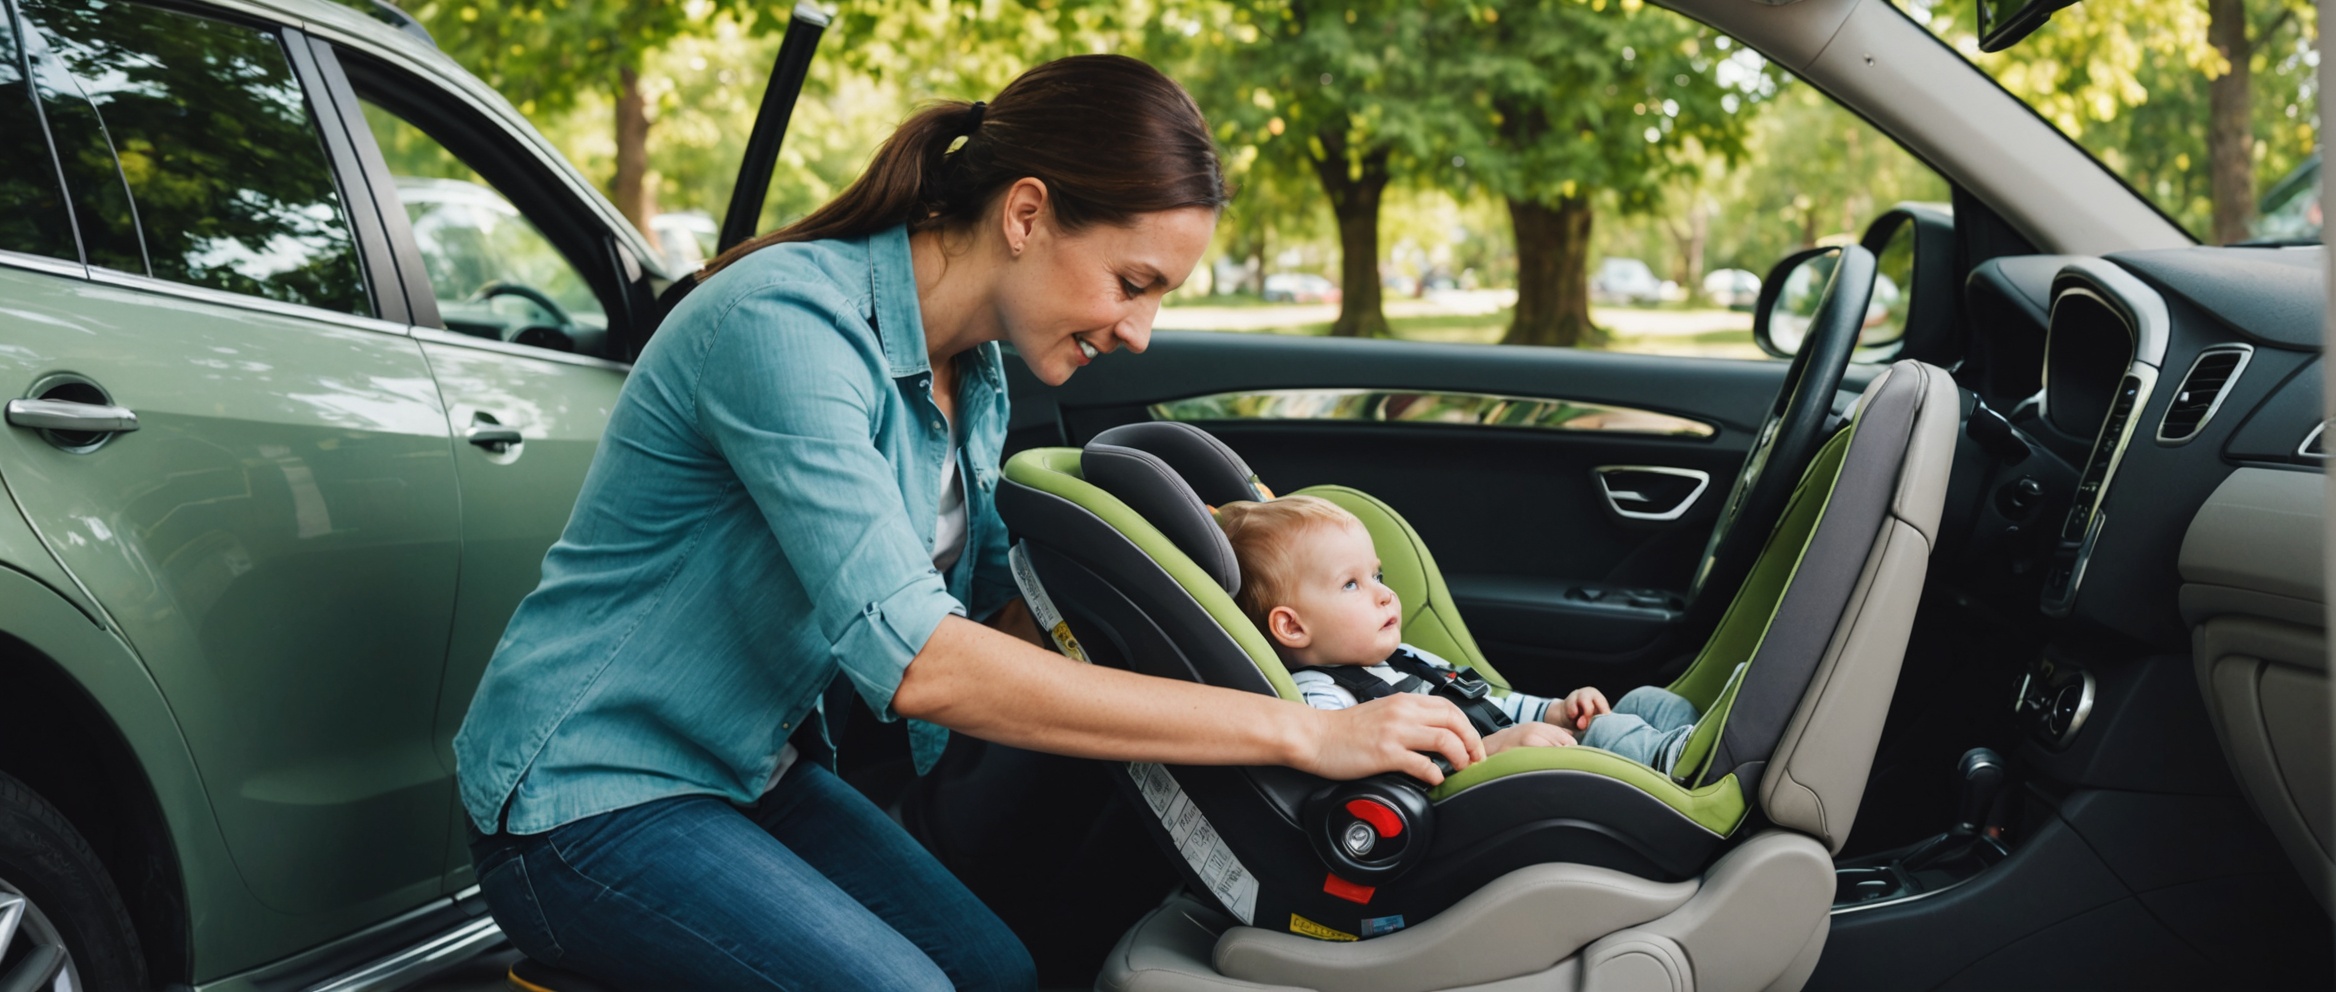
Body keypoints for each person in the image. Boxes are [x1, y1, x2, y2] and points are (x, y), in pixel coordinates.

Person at [452, 55, 1487, 991]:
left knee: (996, 969)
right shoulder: (781, 327)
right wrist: (1302, 729)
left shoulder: (973, 371)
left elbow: (995, 622)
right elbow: (926, 666)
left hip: (749, 772)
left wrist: (1186, 594)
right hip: (584, 800)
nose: (1137, 332)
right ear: (1026, 214)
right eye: (1132, 284)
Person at [1216, 495, 1707, 773]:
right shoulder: (1320, 701)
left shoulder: (1401, 659)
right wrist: (1493, 749)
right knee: (1608, 734)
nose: (1385, 595)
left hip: (1512, 747)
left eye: (1378, 577)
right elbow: (1374, 771)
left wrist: (1553, 710)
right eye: (1351, 584)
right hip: (1482, 785)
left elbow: (1486, 702)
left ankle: (1695, 741)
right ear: (1293, 626)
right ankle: (1688, 767)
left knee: (1645, 702)